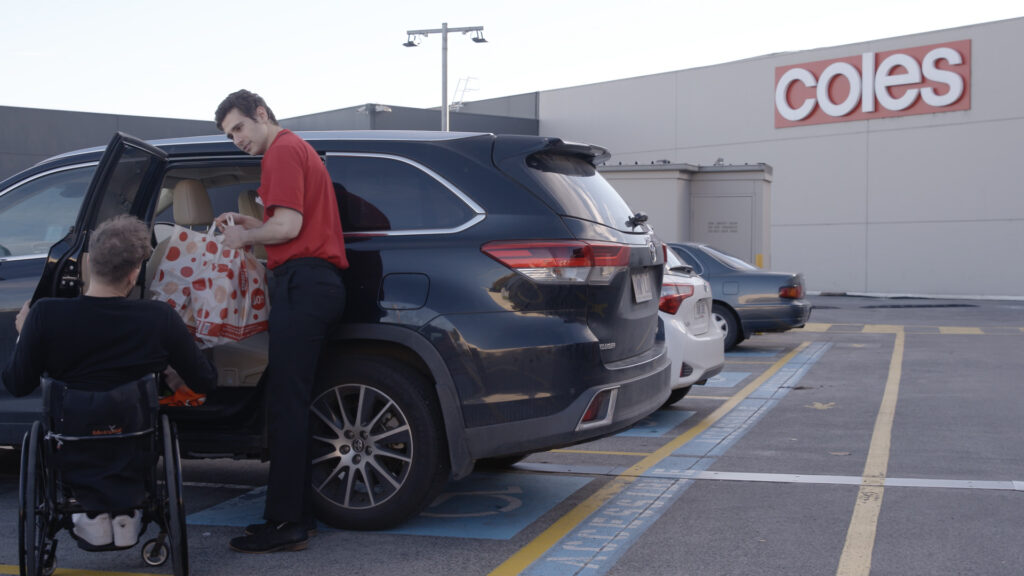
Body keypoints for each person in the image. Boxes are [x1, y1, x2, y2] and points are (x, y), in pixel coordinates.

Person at [1, 214, 217, 548]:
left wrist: (24, 334)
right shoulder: (159, 317)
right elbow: (205, 382)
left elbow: (17, 383)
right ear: (134, 273)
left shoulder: (45, 315)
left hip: (69, 437)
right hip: (134, 438)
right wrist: (171, 372)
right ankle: (124, 509)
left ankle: (91, 511)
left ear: (89, 263)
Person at [212, 89, 348, 553]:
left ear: (262, 115)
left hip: (303, 284)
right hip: (312, 285)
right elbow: (290, 224)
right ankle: (292, 516)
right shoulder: (295, 150)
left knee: (288, 406)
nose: (236, 140)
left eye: (239, 128)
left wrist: (241, 238)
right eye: (230, 134)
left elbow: (287, 229)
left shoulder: (283, 152)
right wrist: (248, 225)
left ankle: (288, 523)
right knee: (292, 401)